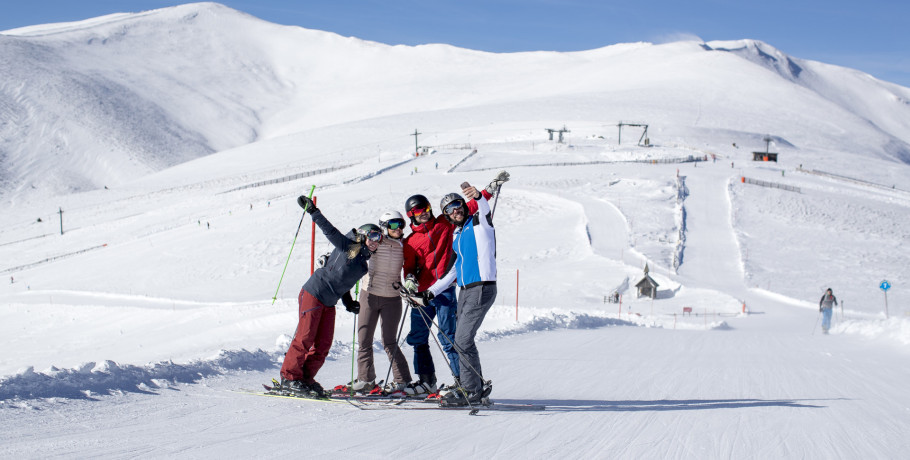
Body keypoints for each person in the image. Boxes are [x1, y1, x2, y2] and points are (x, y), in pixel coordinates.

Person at [409, 171, 509, 406]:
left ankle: (471, 390)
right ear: (446, 215)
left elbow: (483, 209)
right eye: (449, 209)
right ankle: (473, 385)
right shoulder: (457, 234)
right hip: (465, 290)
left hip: (481, 288)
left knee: (463, 340)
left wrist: (481, 195)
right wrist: (429, 293)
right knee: (459, 340)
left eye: (457, 204)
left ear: (464, 205)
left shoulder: (478, 223)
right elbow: (453, 271)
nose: (455, 210)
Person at [278, 194, 381, 398]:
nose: (376, 241)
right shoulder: (351, 248)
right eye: (373, 236)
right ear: (362, 236)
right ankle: (289, 378)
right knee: (305, 338)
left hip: (329, 300)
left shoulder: (361, 264)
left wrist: (348, 301)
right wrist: (314, 212)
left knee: (323, 344)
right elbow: (331, 232)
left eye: (379, 238)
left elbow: (343, 281)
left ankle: (304, 379)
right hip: (315, 292)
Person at [350, 211, 413, 395]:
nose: (399, 228)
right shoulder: (374, 242)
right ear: (384, 226)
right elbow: (351, 250)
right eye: (393, 225)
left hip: (392, 298)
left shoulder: (405, 245)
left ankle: (402, 380)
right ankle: (366, 379)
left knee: (389, 341)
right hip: (368, 294)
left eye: (401, 224)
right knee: (364, 339)